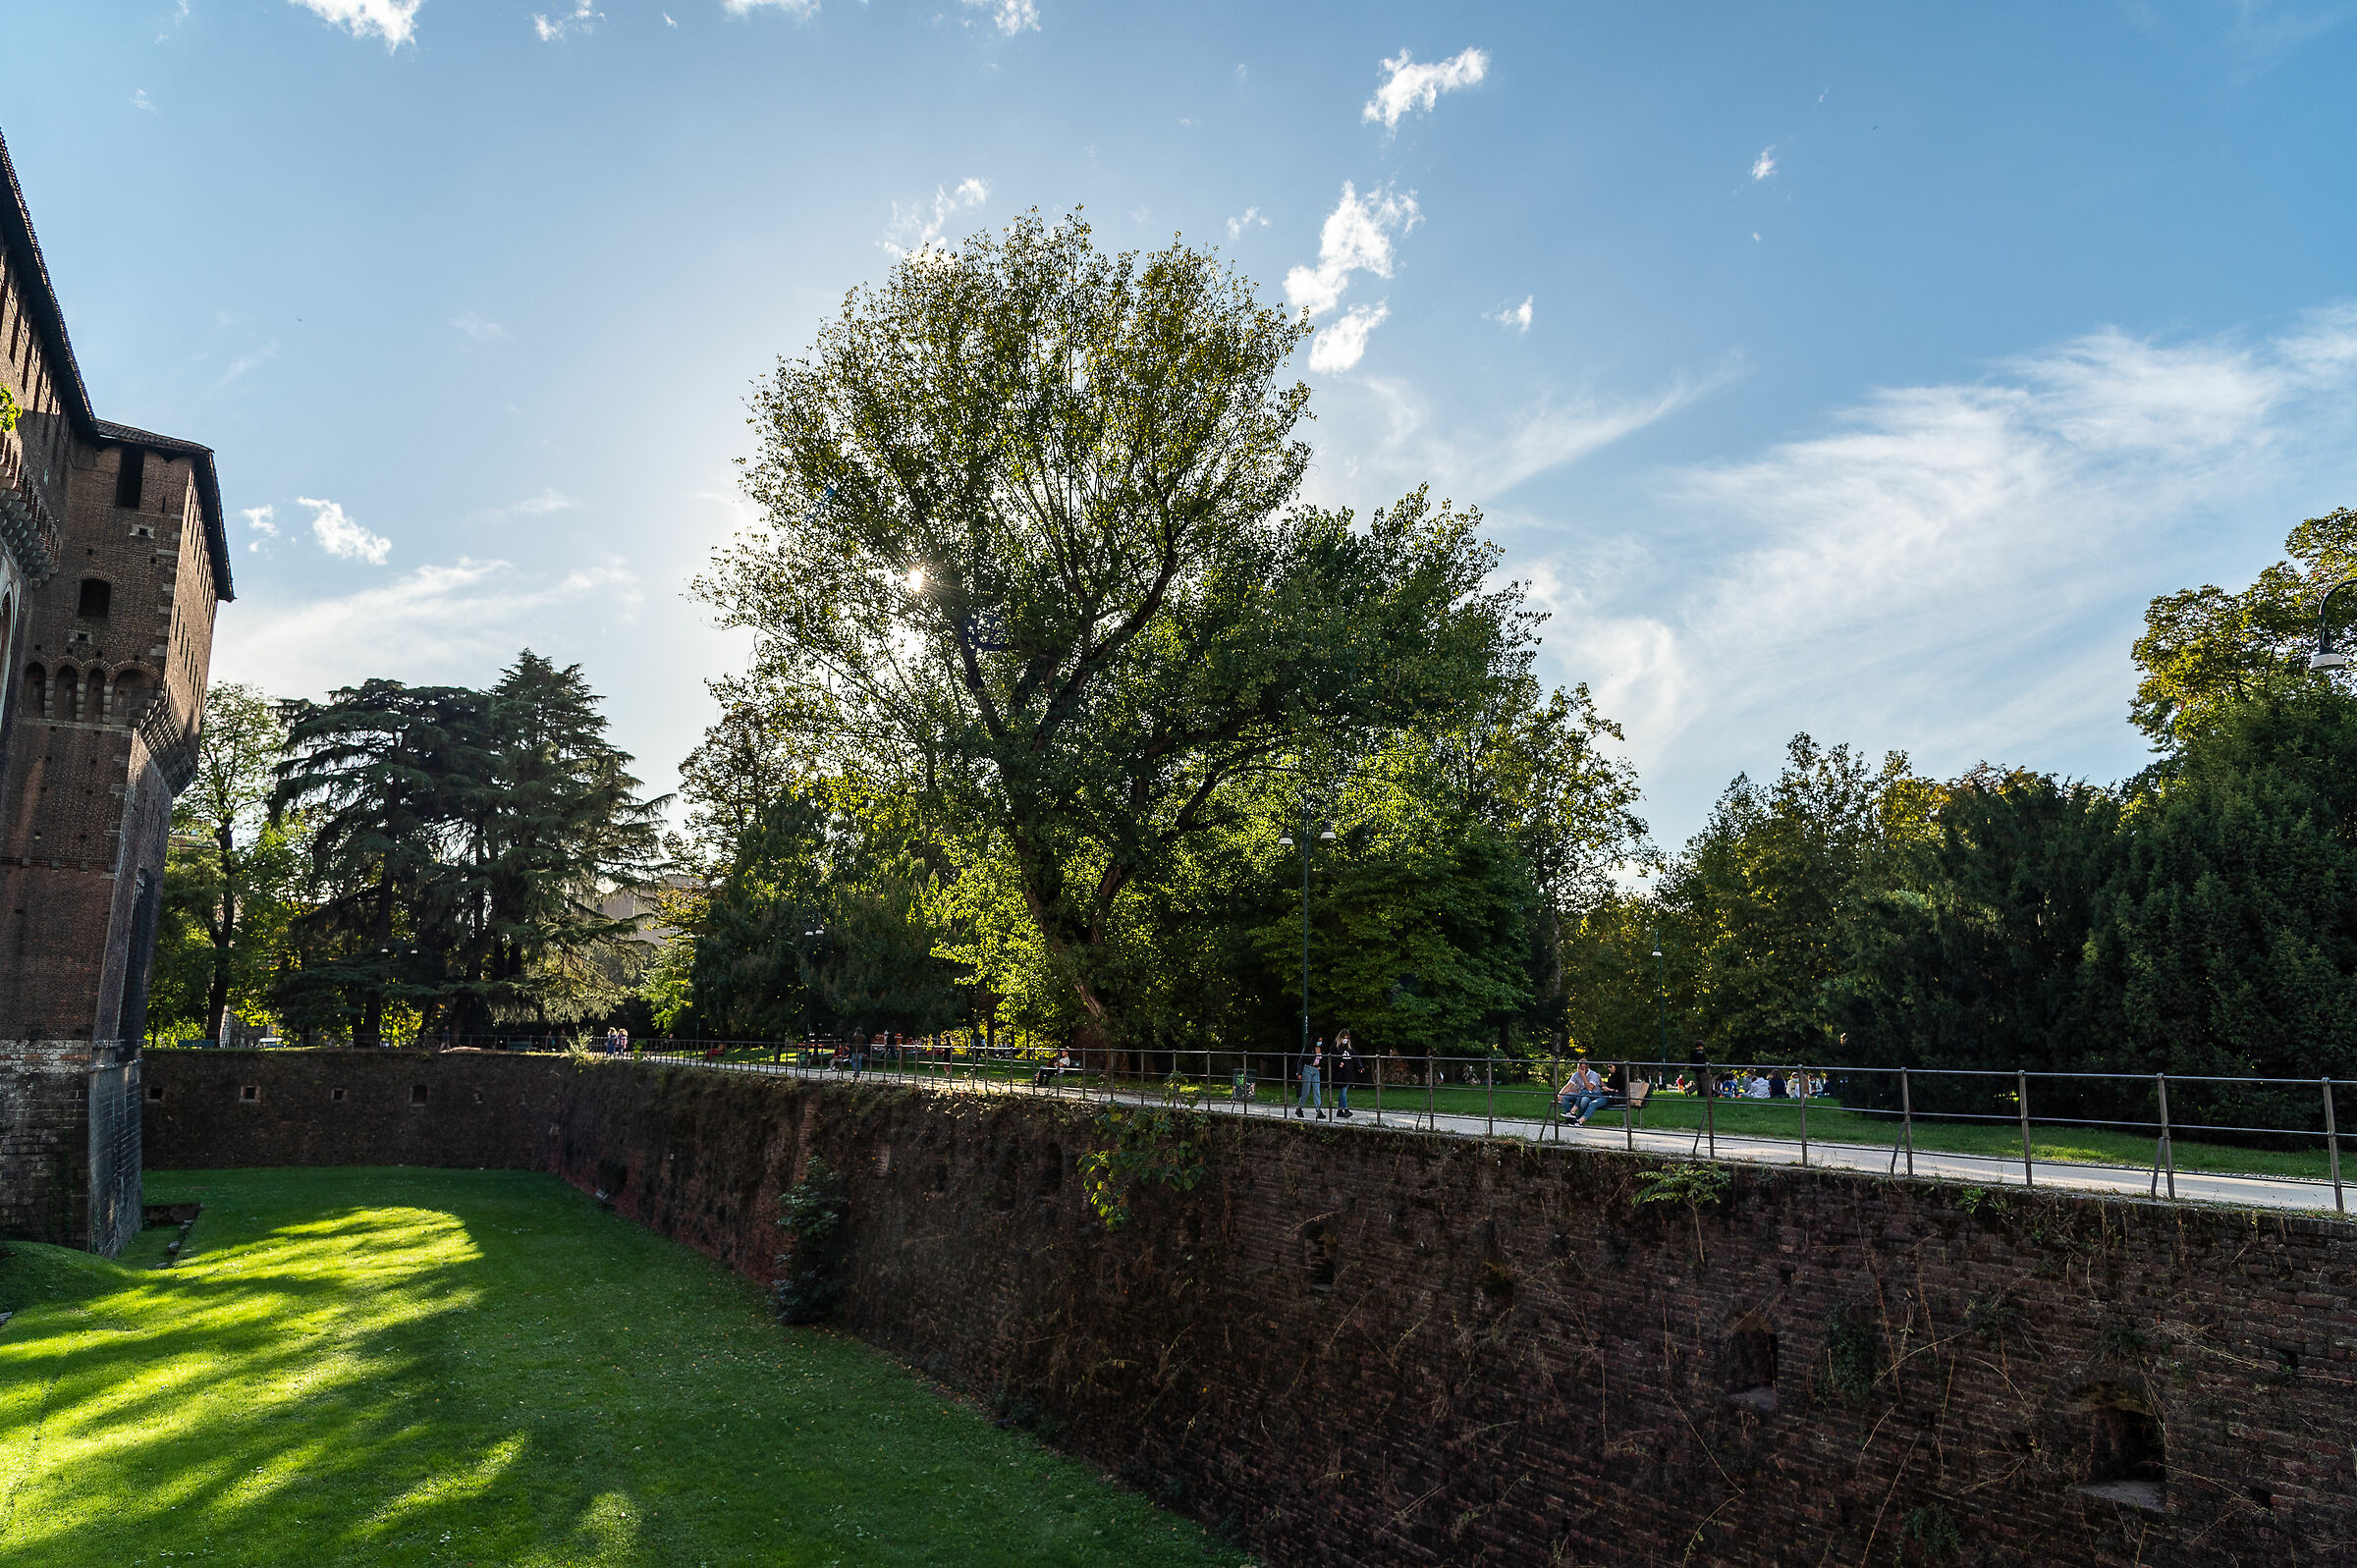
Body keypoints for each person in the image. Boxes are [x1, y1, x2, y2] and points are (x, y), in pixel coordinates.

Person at [1559, 1059, 1608, 1124]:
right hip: (1580, 1095)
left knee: (1585, 1100)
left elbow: (1589, 1088)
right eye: (1578, 1068)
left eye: (1581, 1068)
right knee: (1565, 1097)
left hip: (1593, 1095)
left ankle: (1577, 1119)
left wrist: (1583, 1076)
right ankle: (1570, 1119)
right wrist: (1561, 1093)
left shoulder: (1593, 1074)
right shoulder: (1576, 1074)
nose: (1579, 1070)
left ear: (1587, 1068)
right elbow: (1569, 1085)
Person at [1294, 1036, 1327, 1119]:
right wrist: (1299, 1072)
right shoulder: (1308, 1047)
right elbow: (1302, 1059)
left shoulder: (1321, 1048)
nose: (1320, 1042)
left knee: (1317, 1091)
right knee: (1306, 1091)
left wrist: (1321, 1067)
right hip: (1308, 1069)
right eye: (1319, 1040)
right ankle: (1299, 1108)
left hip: (1316, 1070)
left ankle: (1318, 1110)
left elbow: (1323, 1059)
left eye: (1321, 1040)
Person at [1333, 1032, 1360, 1118]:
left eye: (1347, 1038)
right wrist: (1338, 1063)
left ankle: (1340, 1110)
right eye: (1344, 1037)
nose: (1345, 1039)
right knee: (1343, 1091)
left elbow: (1355, 1056)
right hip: (1340, 1073)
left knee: (1343, 1091)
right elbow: (1332, 1058)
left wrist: (1360, 1066)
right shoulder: (1335, 1046)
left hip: (1348, 1072)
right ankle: (1345, 1109)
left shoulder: (1350, 1047)